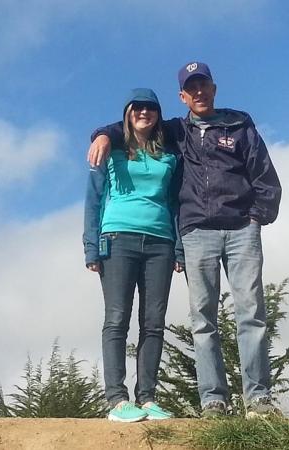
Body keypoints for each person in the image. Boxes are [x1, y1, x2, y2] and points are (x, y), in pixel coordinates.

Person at [88, 62, 282, 418]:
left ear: (213, 88)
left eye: (203, 85)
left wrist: (257, 217)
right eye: (191, 88)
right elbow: (132, 126)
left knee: (251, 312)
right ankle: (213, 401)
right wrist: (100, 134)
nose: (198, 92)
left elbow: (265, 174)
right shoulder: (176, 131)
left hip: (240, 229)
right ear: (183, 96)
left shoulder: (239, 123)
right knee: (202, 319)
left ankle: (259, 400)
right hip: (196, 231)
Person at [83, 88, 183, 422]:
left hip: (161, 242)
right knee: (116, 319)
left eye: (150, 108)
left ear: (158, 114)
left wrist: (179, 247)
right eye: (137, 107)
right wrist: (90, 246)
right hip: (117, 238)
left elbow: (176, 203)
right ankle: (116, 400)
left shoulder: (170, 152)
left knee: (153, 323)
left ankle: (148, 398)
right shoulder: (111, 148)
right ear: (127, 113)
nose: (144, 112)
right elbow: (93, 199)